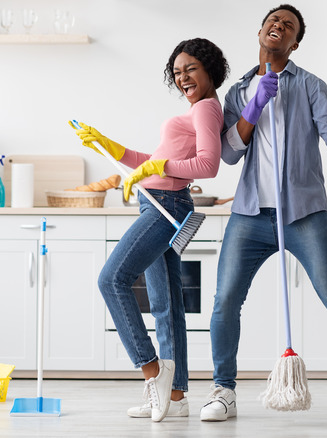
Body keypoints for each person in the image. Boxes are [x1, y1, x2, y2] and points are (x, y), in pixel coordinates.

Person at [200, 4, 327, 423]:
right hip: (250, 215)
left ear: (294, 43)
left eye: (288, 26)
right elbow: (229, 153)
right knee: (225, 301)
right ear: (261, 30)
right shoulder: (237, 92)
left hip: (304, 214)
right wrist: (253, 107)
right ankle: (222, 390)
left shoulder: (310, 85)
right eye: (273, 21)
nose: (278, 27)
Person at [74, 38, 229, 422]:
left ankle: (152, 373)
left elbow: (208, 165)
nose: (183, 78)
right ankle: (175, 397)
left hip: (166, 207)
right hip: (159, 203)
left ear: (209, 69)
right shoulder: (196, 111)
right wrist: (112, 148)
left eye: (190, 68)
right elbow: (155, 160)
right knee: (166, 304)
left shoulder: (207, 109)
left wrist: (157, 169)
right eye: (177, 73)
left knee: (112, 280)